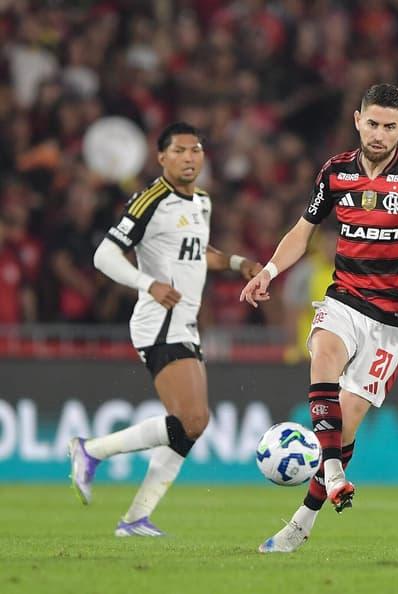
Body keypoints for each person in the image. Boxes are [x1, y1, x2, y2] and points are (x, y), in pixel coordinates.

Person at [240, 83, 398, 553]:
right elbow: (303, 232)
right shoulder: (335, 172)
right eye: (373, 123)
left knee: (347, 423)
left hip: (395, 321)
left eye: (390, 126)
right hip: (346, 298)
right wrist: (268, 270)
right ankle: (336, 473)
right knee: (322, 352)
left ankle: (300, 524)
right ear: (357, 120)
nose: (380, 133)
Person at [68, 122, 262, 536]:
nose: (189, 157)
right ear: (161, 157)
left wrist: (235, 263)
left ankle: (135, 517)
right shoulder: (150, 200)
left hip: (184, 323)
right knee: (193, 418)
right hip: (158, 322)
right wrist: (147, 283)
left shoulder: (202, 202)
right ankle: (91, 451)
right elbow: (104, 255)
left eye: (195, 150)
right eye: (179, 151)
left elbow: (196, 251)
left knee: (192, 423)